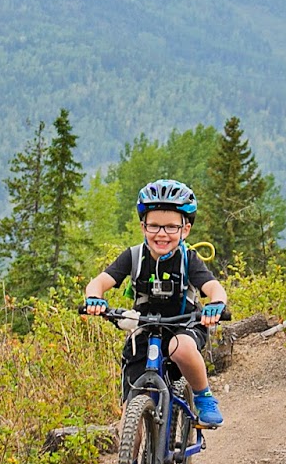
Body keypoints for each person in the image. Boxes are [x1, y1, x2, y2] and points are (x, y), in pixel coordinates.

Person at [83, 178, 229, 427]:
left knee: (181, 347)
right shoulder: (134, 256)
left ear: (185, 229)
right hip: (145, 328)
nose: (162, 234)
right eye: (154, 226)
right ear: (143, 227)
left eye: (171, 227)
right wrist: (94, 298)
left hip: (184, 325)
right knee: (130, 420)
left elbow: (214, 288)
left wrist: (216, 305)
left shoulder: (188, 259)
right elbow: (99, 282)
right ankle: (130, 449)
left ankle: (203, 396)